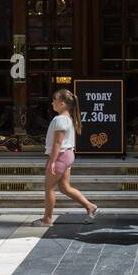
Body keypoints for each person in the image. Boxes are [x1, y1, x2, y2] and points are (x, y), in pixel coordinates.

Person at [36, 88, 98, 226]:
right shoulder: (68, 118)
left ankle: (47, 219)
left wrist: (52, 161)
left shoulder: (60, 119)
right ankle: (90, 206)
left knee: (49, 188)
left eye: (54, 100)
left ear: (62, 103)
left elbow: (58, 142)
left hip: (61, 156)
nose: (52, 102)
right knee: (64, 187)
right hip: (68, 154)